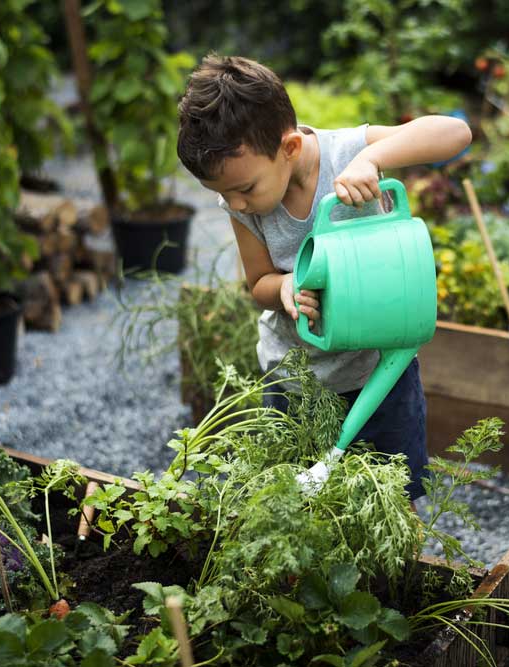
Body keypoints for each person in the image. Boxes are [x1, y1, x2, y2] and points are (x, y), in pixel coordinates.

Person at [176, 55, 472, 500]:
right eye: (223, 194)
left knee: (391, 503)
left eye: (244, 189)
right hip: (295, 385)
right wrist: (285, 288)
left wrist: (372, 158)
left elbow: (457, 133)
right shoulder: (244, 206)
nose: (235, 204)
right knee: (302, 507)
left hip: (380, 374)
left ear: (289, 148)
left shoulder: (346, 154)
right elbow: (257, 283)